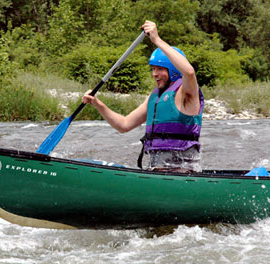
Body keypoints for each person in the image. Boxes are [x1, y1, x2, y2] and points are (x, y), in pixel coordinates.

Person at [82, 20, 204, 172]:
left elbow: (189, 72)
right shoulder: (154, 98)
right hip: (156, 170)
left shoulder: (187, 94)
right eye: (153, 69)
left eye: (160, 69)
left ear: (173, 70)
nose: (155, 74)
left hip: (184, 172)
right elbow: (124, 125)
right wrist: (97, 103)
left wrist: (157, 40)